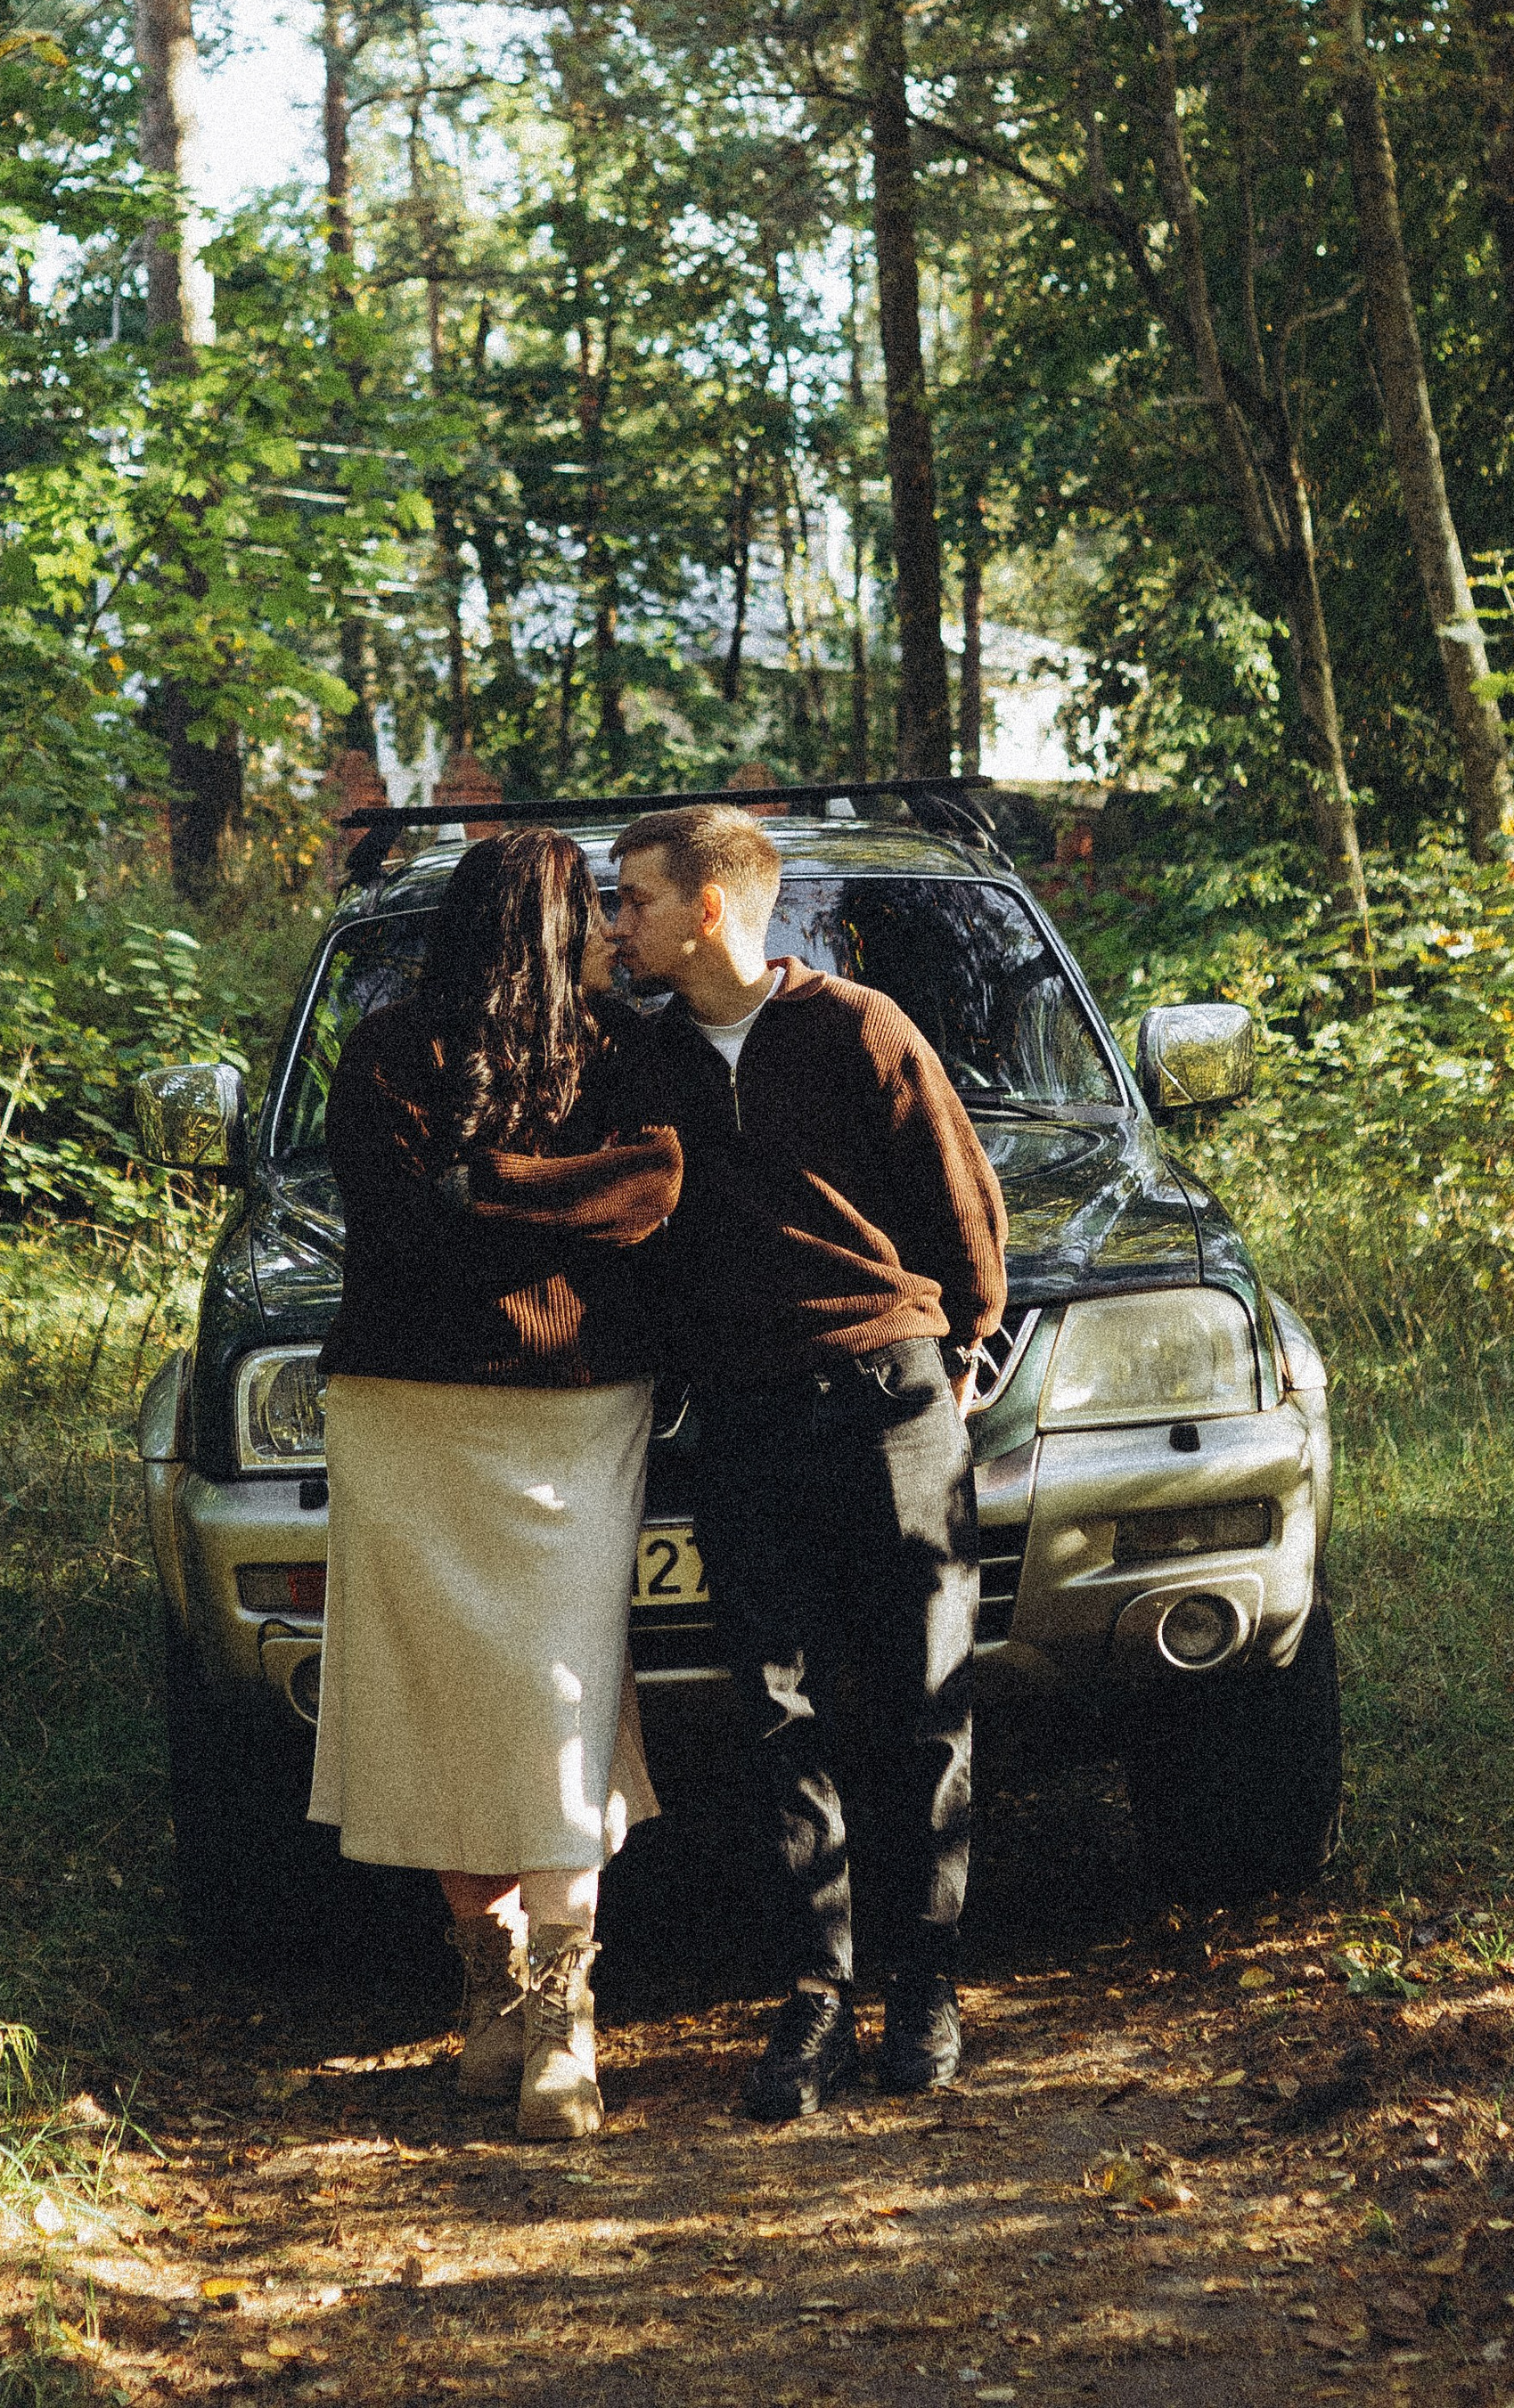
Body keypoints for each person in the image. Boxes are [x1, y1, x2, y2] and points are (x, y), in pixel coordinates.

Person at [608, 802, 1008, 2120]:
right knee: (778, 1715)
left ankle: (927, 1985)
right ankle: (816, 1996)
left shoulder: (859, 1029)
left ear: (708, 910)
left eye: (635, 902)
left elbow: (963, 1215)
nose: (620, 926)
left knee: (920, 1702)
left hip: (887, 1406)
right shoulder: (642, 1062)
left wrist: (952, 1348)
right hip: (742, 1422)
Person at [309, 826, 682, 2142]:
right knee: (448, 1710)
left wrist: (484, 1186)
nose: (604, 932)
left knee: (558, 1700)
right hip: (417, 1417)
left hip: (569, 1421)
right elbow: (404, 1233)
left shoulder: (627, 1045)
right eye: (590, 907)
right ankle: (500, 2009)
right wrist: (547, 1207)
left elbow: (650, 1192)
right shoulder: (392, 1048)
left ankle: (563, 2023)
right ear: (547, 915)